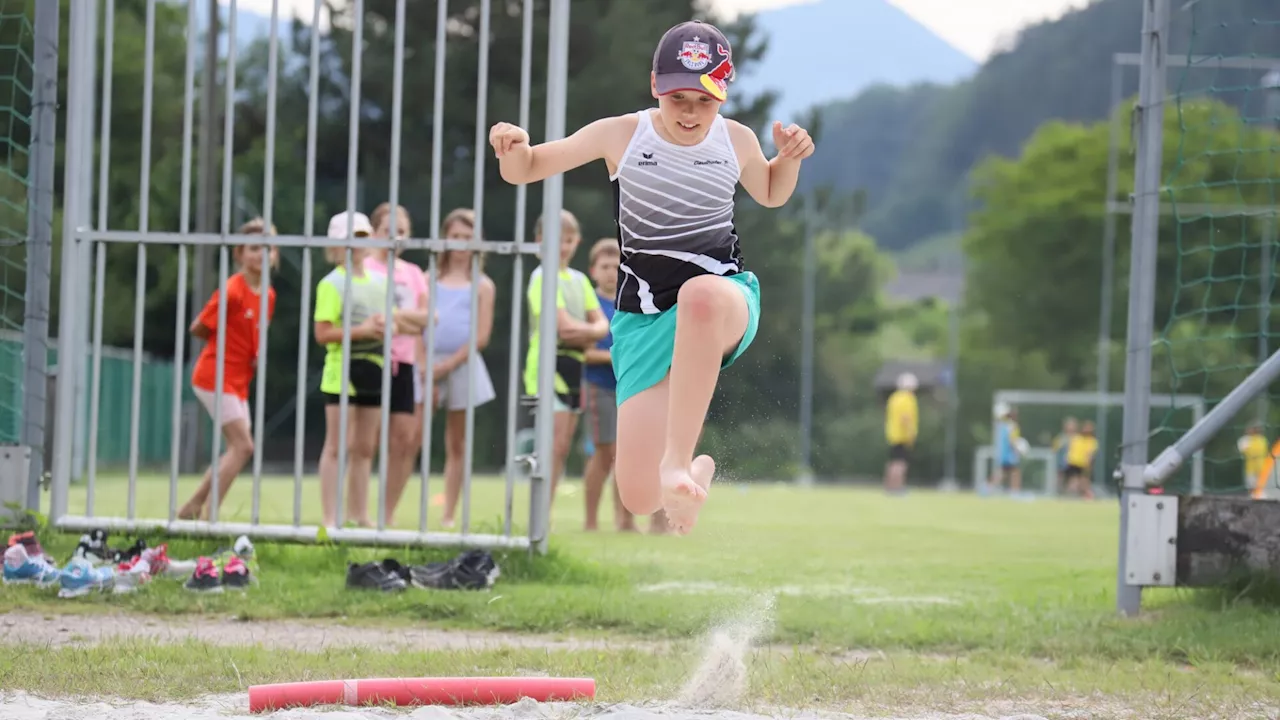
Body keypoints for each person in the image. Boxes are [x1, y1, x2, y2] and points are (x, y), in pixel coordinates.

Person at [490, 20, 814, 534]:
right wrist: (512, 148)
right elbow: (527, 169)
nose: (690, 113)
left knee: (699, 295)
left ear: (723, 94)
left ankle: (677, 463)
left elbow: (772, 191)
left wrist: (789, 160)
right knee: (639, 496)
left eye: (704, 100)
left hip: (722, 300)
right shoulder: (621, 133)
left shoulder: (737, 139)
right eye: (677, 97)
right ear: (654, 86)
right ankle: (690, 474)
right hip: (643, 319)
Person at [179, 218, 279, 521]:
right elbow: (198, 326)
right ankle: (210, 513)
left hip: (238, 380)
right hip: (215, 376)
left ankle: (192, 507)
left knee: (236, 449)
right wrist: (227, 343)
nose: (260, 254)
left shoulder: (268, 295)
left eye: (267, 248)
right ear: (239, 254)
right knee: (243, 446)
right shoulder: (232, 291)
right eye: (253, 249)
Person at [522, 209, 610, 508]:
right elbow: (565, 328)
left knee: (562, 447)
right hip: (548, 368)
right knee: (552, 445)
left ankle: (545, 512)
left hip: (575, 367)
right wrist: (587, 331)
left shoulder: (579, 280)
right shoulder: (540, 277)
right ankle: (539, 512)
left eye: (569, 240)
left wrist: (582, 332)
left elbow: (601, 325)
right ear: (539, 240)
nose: (563, 246)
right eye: (557, 240)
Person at [314, 211, 392, 529]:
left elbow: (388, 322)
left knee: (365, 447)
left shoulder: (381, 282)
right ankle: (330, 517)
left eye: (362, 237)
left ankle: (359, 514)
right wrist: (363, 331)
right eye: (351, 238)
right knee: (336, 446)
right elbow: (322, 334)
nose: (358, 245)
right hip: (341, 372)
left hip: (374, 368)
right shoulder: (331, 283)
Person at [427, 207, 498, 529]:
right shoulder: (429, 279)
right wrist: (427, 366)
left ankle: (448, 513)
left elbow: (480, 336)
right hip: (424, 365)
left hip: (461, 364)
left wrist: (448, 365)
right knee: (409, 435)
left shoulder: (483, 285)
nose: (460, 243)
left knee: (457, 443)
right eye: (455, 236)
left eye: (467, 238)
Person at [364, 202, 431, 526]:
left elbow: (424, 320)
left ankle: (385, 514)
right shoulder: (364, 267)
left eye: (402, 232)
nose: (395, 237)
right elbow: (367, 318)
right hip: (372, 358)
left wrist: (393, 318)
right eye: (388, 231)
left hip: (404, 362)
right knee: (366, 441)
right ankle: (358, 513)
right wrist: (405, 320)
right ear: (375, 232)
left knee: (404, 440)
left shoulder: (414, 274)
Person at [581, 238, 636, 531]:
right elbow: (585, 353)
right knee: (604, 454)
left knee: (627, 454)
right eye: (605, 266)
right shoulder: (589, 305)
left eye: (616, 266)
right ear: (593, 270)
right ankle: (590, 522)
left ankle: (625, 520)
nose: (611, 272)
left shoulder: (633, 302)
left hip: (630, 389)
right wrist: (617, 357)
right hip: (599, 387)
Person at [883, 372, 919, 495]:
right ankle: (898, 488)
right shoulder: (908, 399)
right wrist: (911, 434)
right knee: (901, 464)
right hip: (903, 436)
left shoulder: (894, 397)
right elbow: (906, 418)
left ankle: (890, 487)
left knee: (893, 462)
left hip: (893, 435)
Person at [988, 405, 1023, 494]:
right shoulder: (1011, 426)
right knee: (1015, 473)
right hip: (1009, 454)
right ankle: (1015, 492)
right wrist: (1019, 449)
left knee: (1002, 473)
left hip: (1003, 454)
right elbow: (1012, 440)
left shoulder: (1001, 425)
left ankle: (987, 488)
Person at [1063, 419, 1097, 500]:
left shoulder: (1092, 441)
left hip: (1084, 464)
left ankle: (1086, 496)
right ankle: (1071, 497)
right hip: (1074, 463)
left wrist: (1089, 463)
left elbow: (1090, 454)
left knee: (1084, 482)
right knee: (1073, 481)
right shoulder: (1077, 438)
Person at [1237, 423, 1268, 498]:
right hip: (1251, 468)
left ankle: (1259, 497)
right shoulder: (1246, 440)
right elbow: (1242, 449)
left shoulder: (1262, 440)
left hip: (1262, 468)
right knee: (1251, 486)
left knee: (1260, 486)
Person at [1051, 416, 1078, 494]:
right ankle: (1058, 493)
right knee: (1060, 478)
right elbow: (1054, 448)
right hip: (1062, 462)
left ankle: (1071, 494)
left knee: (1073, 478)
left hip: (1074, 462)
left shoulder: (1077, 438)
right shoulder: (1061, 437)